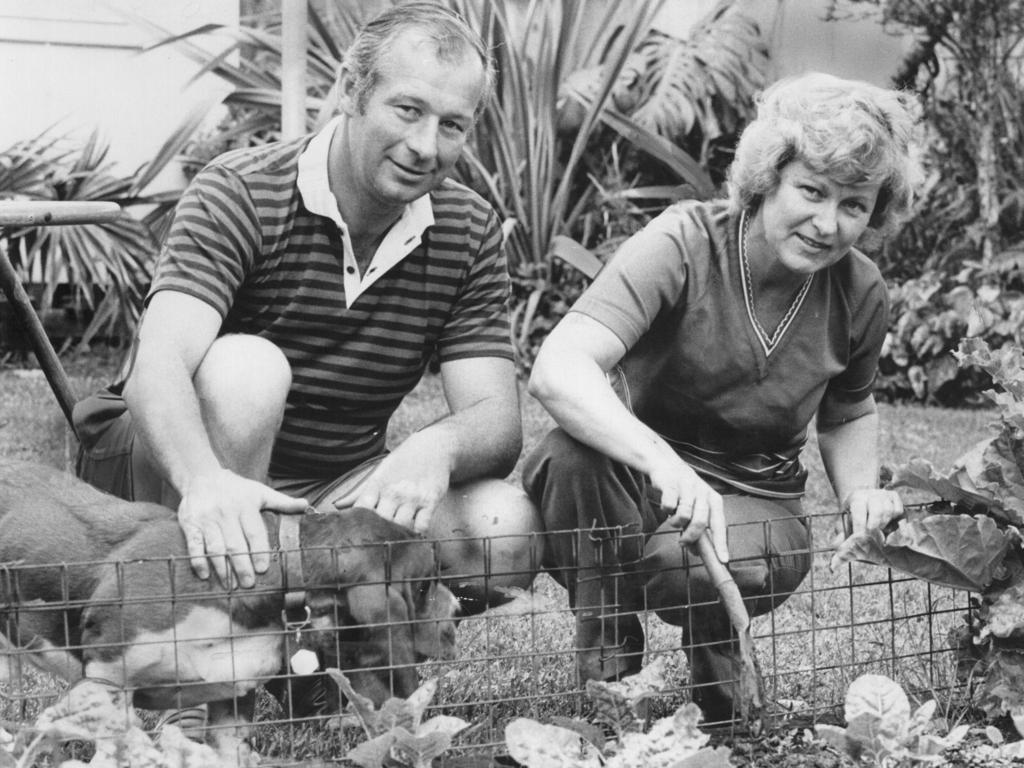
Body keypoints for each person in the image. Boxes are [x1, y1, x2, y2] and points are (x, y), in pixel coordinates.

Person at [73, 1, 540, 713]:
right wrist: (204, 480)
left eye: (453, 125)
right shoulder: (243, 189)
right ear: (352, 91)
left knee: (501, 528)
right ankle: (191, 647)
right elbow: (156, 366)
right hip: (175, 468)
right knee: (247, 373)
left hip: (325, 488)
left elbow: (498, 418)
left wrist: (438, 445)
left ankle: (312, 644)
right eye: (407, 109)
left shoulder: (468, 229)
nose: (426, 145)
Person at [522, 72, 918, 723]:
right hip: (637, 481)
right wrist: (661, 463)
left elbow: (849, 408)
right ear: (768, 178)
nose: (828, 223)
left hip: (756, 495)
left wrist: (858, 493)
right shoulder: (684, 243)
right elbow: (558, 369)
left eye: (854, 204)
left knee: (690, 568)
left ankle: (718, 660)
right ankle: (609, 659)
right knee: (571, 461)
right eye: (812, 191)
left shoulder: (860, 290)